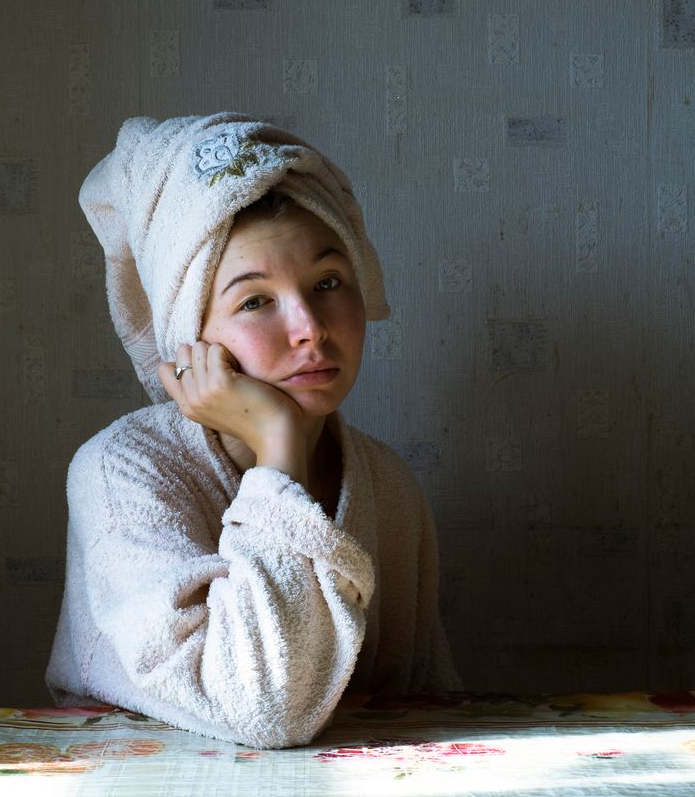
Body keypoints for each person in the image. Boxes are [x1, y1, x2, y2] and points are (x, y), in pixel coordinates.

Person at [46, 113, 461, 749]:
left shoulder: (386, 485)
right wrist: (279, 446)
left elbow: (421, 705)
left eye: (328, 282)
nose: (310, 327)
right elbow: (263, 708)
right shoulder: (119, 471)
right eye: (255, 300)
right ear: (188, 337)